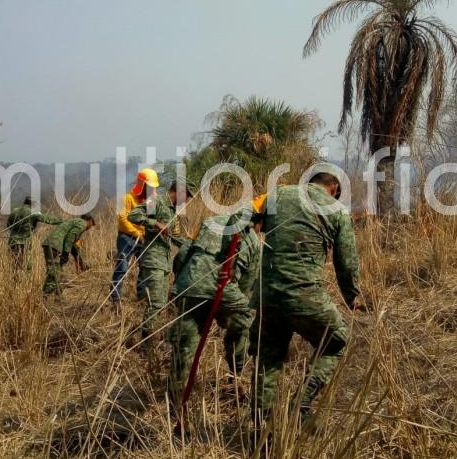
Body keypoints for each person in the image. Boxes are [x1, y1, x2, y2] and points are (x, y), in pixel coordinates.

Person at [249, 168, 361, 427]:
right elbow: (346, 262)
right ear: (333, 186)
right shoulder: (337, 211)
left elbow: (252, 225)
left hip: (268, 295)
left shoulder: (278, 195)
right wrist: (351, 297)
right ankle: (301, 404)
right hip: (305, 295)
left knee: (268, 357)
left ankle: (259, 425)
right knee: (337, 341)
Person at [168, 210, 262, 407]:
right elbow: (246, 283)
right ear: (257, 223)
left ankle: (175, 406)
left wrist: (179, 283)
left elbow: (185, 251)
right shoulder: (253, 240)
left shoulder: (209, 222)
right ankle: (235, 375)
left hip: (190, 284)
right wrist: (229, 309)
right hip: (223, 288)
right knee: (242, 322)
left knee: (184, 347)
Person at [128, 179, 193, 340]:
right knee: (156, 302)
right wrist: (155, 223)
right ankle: (146, 341)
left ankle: (150, 335)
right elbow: (133, 215)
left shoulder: (172, 212)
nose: (187, 200)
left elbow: (174, 237)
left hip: (164, 263)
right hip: (153, 259)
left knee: (161, 303)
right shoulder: (156, 202)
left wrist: (194, 245)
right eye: (187, 196)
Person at [110, 169, 159, 308]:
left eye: (153, 188)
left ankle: (141, 296)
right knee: (122, 268)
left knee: (144, 267)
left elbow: (152, 219)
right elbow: (122, 219)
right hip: (126, 238)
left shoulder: (151, 201)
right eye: (149, 187)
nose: (151, 190)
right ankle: (115, 299)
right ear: (142, 185)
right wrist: (137, 233)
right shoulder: (127, 198)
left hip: (144, 239)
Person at [41, 214, 95, 296]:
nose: (90, 228)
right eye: (92, 224)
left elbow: (73, 248)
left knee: (58, 271)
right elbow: (70, 237)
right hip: (54, 245)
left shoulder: (74, 222)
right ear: (89, 221)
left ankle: (58, 296)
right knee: (54, 272)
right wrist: (65, 253)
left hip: (52, 244)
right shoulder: (82, 223)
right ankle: (45, 296)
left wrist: (81, 263)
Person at [6, 197, 62, 270]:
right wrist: (61, 221)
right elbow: (48, 220)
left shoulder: (14, 211)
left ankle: (15, 280)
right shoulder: (33, 212)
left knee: (15, 265)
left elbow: (8, 225)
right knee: (27, 265)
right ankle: (26, 280)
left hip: (13, 242)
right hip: (25, 243)